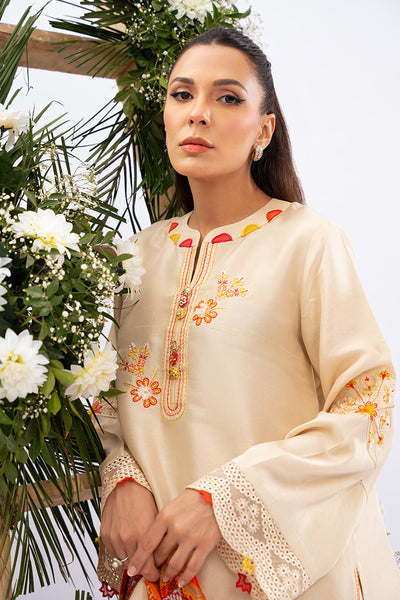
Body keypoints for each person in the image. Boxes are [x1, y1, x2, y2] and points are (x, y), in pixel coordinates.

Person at [95, 26, 400, 600]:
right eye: (182, 94)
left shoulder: (309, 242)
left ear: (264, 130)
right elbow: (107, 403)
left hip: (279, 571)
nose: (198, 113)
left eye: (228, 97)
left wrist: (225, 500)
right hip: (164, 570)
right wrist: (122, 479)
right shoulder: (134, 258)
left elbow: (368, 407)